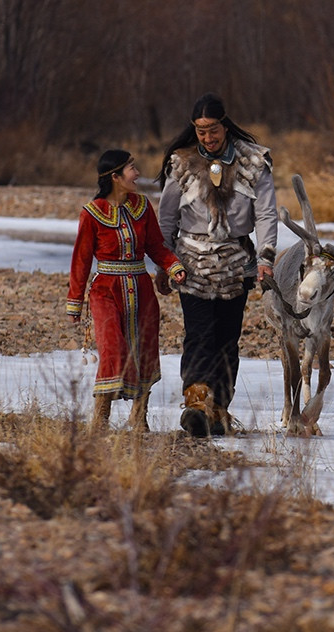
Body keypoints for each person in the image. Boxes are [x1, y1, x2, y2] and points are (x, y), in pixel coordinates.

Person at [157, 94, 277, 437]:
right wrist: (164, 262)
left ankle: (219, 409)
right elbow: (167, 216)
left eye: (213, 130)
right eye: (200, 131)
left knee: (227, 338)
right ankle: (197, 405)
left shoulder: (254, 162)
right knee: (198, 335)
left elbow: (266, 213)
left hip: (236, 263)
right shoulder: (180, 163)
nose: (207, 138)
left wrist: (267, 258)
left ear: (225, 125)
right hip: (191, 262)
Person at [67, 149, 185, 432]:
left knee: (145, 349)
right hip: (106, 290)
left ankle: (139, 415)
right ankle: (101, 417)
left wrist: (173, 266)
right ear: (116, 177)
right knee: (113, 349)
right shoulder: (92, 214)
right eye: (132, 168)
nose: (137, 173)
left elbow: (156, 246)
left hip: (142, 289)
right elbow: (81, 260)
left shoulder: (142, 207)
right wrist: (74, 302)